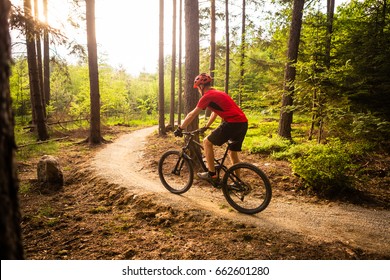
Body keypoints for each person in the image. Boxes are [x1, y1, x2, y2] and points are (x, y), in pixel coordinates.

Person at [174, 73, 248, 181]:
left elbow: (192, 114)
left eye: (198, 88)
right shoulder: (218, 93)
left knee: (207, 142)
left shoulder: (207, 96)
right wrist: (207, 126)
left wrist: (180, 128)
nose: (198, 90)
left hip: (232, 123)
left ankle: (212, 174)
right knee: (232, 152)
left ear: (201, 87)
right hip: (243, 123)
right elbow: (215, 112)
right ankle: (238, 182)